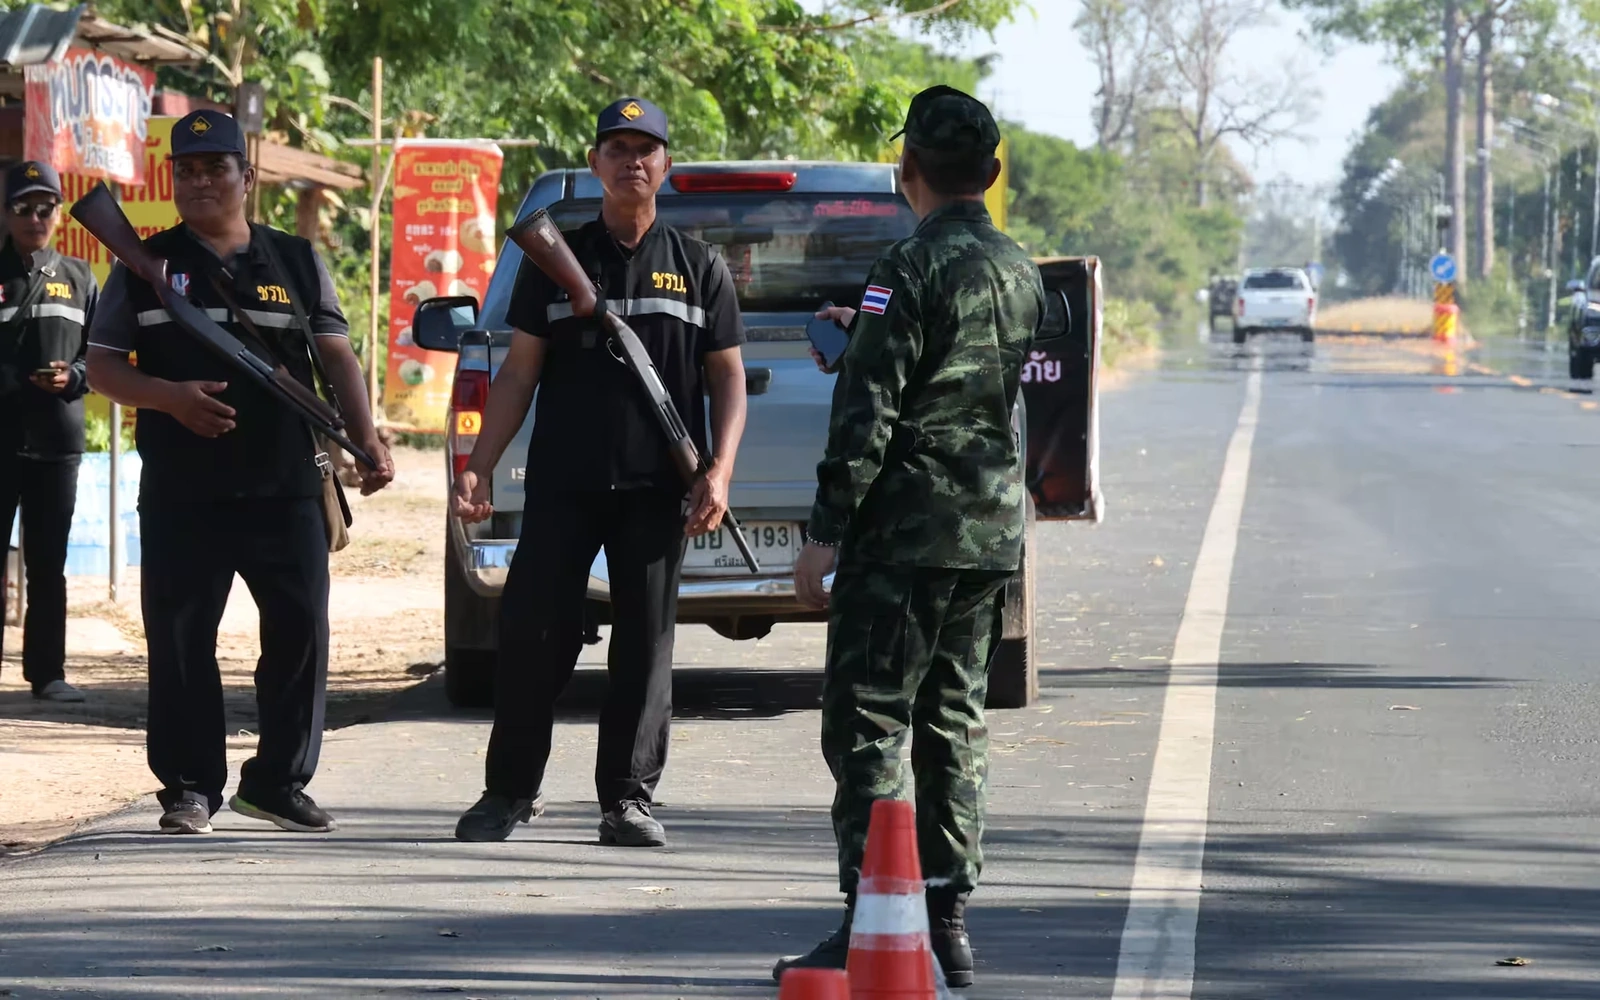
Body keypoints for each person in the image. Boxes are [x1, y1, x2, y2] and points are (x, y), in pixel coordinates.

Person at [774, 86, 1046, 989]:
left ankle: (871, 915)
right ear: (993, 174)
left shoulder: (906, 265)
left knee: (868, 723)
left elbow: (873, 408)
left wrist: (824, 533)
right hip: (987, 532)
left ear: (909, 171)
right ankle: (950, 918)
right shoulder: (1020, 270)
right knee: (953, 719)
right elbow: (976, 389)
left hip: (903, 534)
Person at [85, 111, 394, 836]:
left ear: (246, 178)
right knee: (183, 640)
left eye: (215, 168)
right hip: (182, 491)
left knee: (299, 633)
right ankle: (191, 789)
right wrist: (171, 399)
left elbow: (336, 357)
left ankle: (277, 784)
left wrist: (364, 436)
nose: (199, 181)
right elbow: (100, 367)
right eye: (185, 170)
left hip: (286, 483)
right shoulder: (142, 265)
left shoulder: (296, 258)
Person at [451, 96, 747, 848]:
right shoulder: (557, 257)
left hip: (657, 490)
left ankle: (628, 801)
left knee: (644, 647)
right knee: (529, 638)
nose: (632, 161)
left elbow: (729, 379)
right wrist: (479, 467)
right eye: (617, 148)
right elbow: (518, 374)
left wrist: (719, 472)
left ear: (666, 166)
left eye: (646, 148)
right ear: (595, 166)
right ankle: (509, 793)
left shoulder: (698, 265)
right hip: (563, 485)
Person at [0, 160, 97, 703]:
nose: (35, 218)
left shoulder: (82, 279)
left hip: (58, 443)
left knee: (48, 564)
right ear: (6, 212)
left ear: (59, 215)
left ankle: (48, 673)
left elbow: (101, 359)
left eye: (45, 208)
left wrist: (72, 377)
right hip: (1, 439)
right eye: (23, 208)